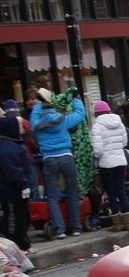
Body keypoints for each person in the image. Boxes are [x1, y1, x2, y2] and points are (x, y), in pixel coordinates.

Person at [30, 88, 87, 239]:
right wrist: (75, 99)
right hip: (66, 157)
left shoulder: (37, 124)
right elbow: (81, 114)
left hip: (49, 159)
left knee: (53, 196)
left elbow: (33, 118)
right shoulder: (63, 120)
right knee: (72, 192)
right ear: (53, 105)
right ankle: (75, 227)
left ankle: (59, 229)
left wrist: (40, 103)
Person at [90, 100, 129, 232]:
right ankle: (128, 223)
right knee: (121, 190)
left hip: (106, 164)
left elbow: (98, 150)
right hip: (120, 161)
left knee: (111, 192)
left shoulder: (97, 126)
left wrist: (95, 156)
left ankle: (117, 222)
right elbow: (124, 142)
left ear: (96, 113)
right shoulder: (119, 122)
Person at [0, 114, 33, 254]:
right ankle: (16, 245)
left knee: (23, 217)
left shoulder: (14, 143)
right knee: (14, 219)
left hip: (16, 189)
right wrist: (23, 184)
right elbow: (12, 169)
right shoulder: (8, 147)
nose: (22, 128)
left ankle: (23, 244)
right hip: (11, 191)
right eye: (19, 125)